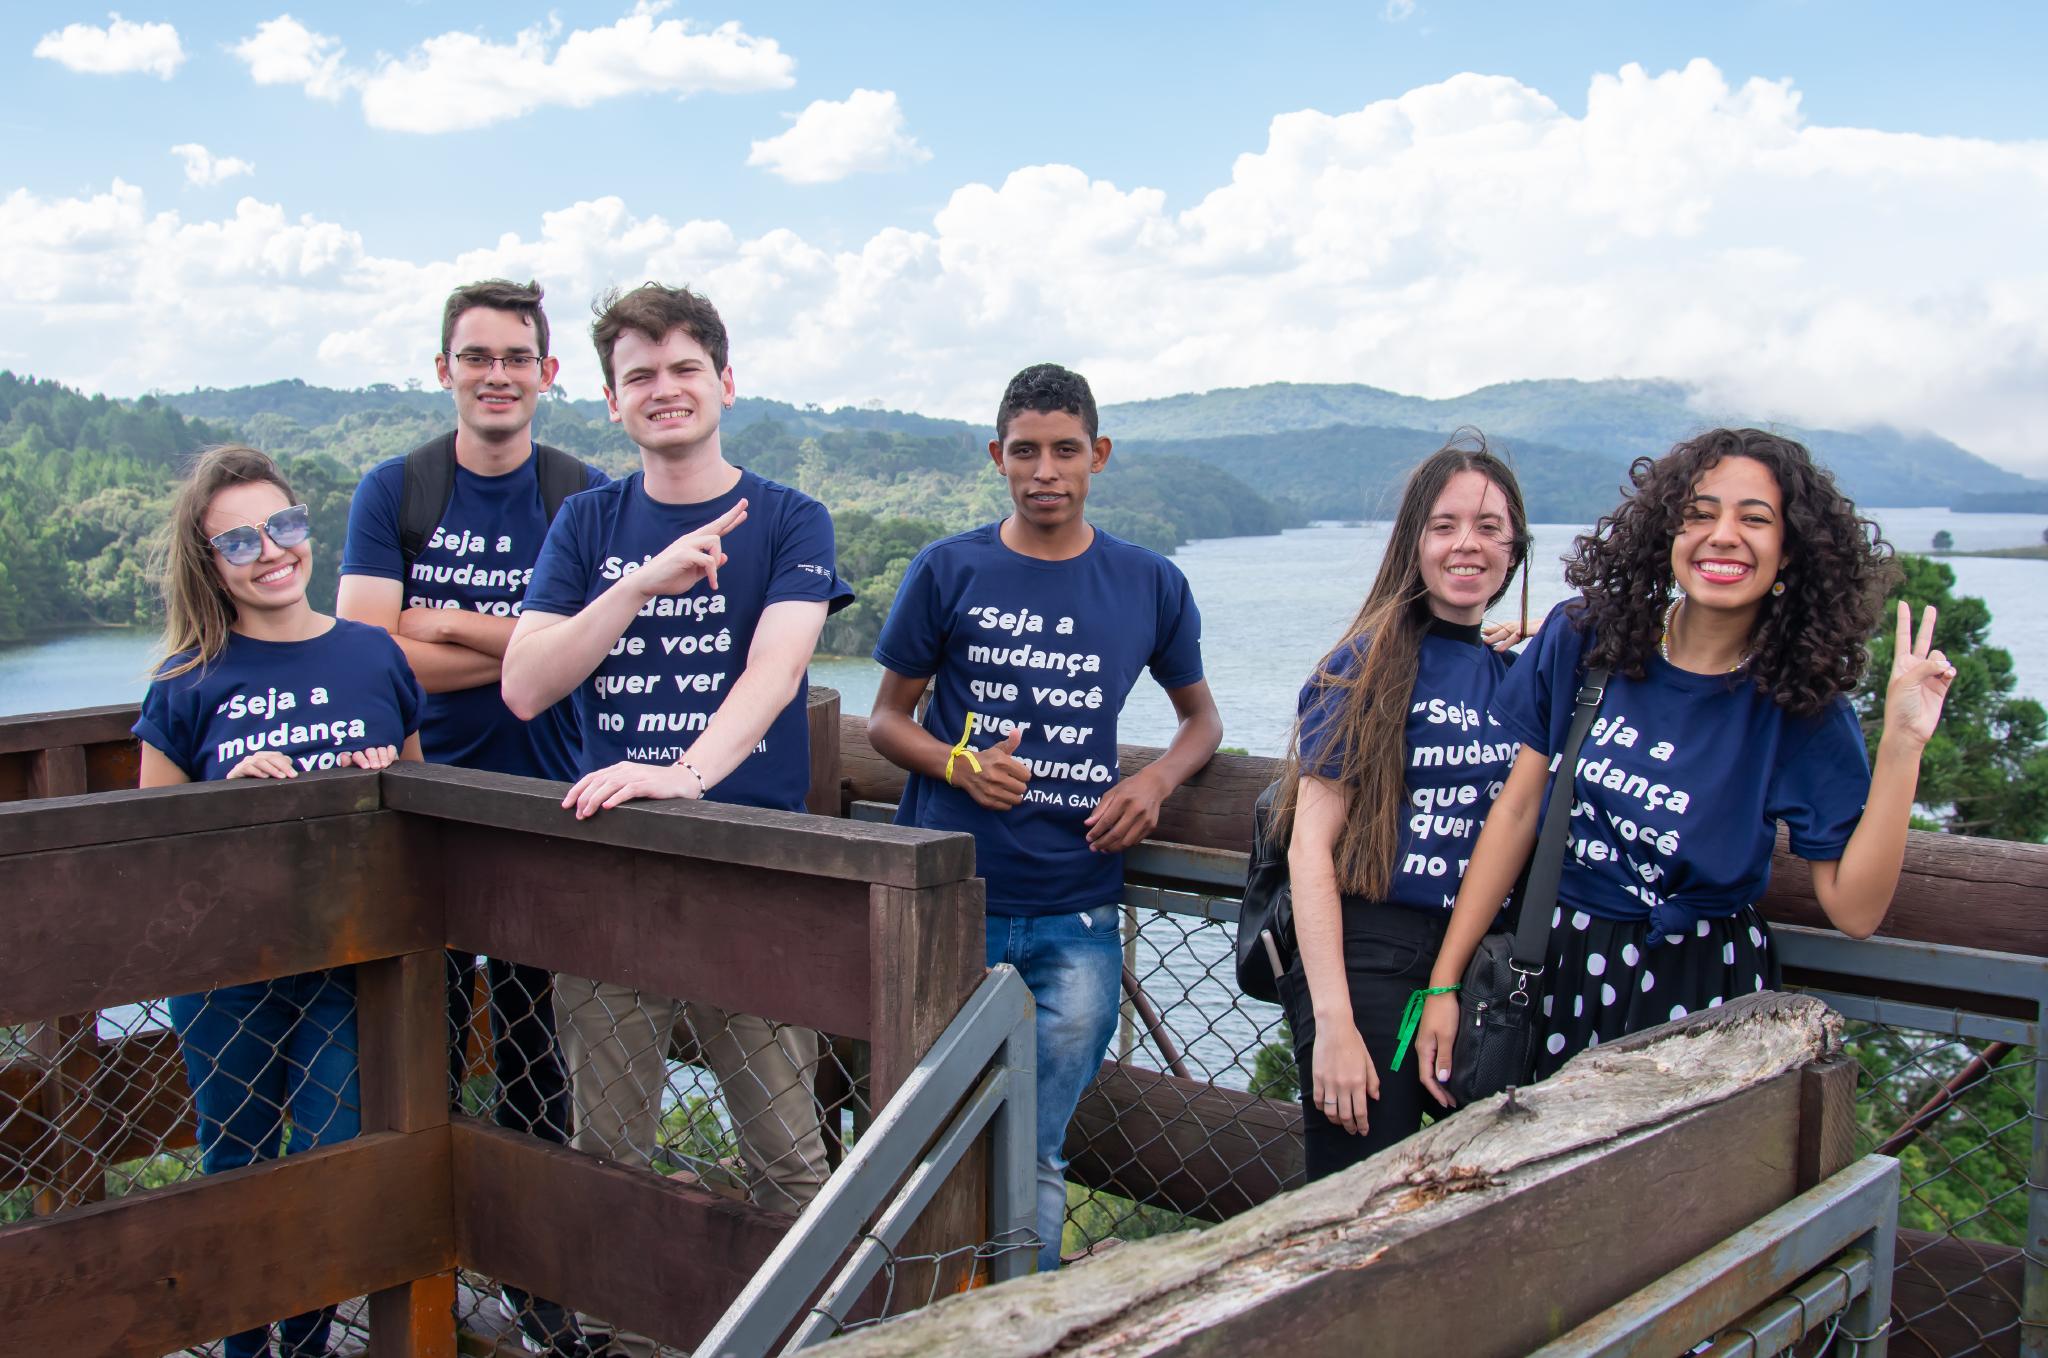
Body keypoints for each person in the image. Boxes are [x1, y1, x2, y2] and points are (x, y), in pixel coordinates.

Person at [1413, 428, 1955, 1099]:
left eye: (1755, 519)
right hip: (1553, 971)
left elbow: (1856, 910)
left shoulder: (1798, 702)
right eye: (1699, 514)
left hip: (1702, 995)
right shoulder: (1589, 638)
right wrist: (1446, 982)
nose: (1722, 536)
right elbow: (1518, 811)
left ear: (1791, 550)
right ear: (1667, 532)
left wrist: (1903, 744)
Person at [502, 283, 849, 1269]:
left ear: (725, 382)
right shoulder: (586, 523)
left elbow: (774, 673)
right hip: (610, 872)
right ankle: (624, 1333)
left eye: (685, 367)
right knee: (610, 1154)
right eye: (640, 374)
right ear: (612, 400)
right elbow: (525, 685)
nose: (665, 388)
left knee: (786, 1152)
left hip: (750, 871)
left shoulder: (791, 519)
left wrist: (685, 773)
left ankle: (807, 1329)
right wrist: (638, 583)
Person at [867, 363, 1223, 1271]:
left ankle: (1023, 1322)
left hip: (1078, 911)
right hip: (953, 901)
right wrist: (958, 764)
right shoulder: (949, 568)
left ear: (1099, 454)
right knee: (926, 1141)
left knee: (1037, 1146)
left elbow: (1202, 722)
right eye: (1025, 452)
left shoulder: (1148, 582)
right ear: (997, 456)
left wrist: (1155, 784)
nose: (1045, 471)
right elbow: (886, 721)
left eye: (1066, 450)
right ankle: (925, 1321)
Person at [335, 277, 609, 1356]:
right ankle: (424, 1282)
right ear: (443, 368)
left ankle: (540, 1290)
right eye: (476, 356)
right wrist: (530, 643)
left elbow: (597, 644)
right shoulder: (396, 489)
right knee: (425, 1060)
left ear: (548, 373)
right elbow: (367, 657)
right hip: (425, 818)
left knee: (543, 1066)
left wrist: (443, 617)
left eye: (516, 357)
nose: (497, 375)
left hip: (549, 814)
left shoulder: (579, 494)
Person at [135, 445, 423, 1358]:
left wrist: (382, 778)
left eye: (283, 525)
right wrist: (226, 799)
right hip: (228, 976)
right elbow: (148, 848)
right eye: (239, 541)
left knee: (333, 1159)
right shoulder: (187, 679)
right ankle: (244, 1348)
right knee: (239, 1167)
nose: (270, 551)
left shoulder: (373, 654)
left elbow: (421, 805)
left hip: (348, 961)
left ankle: (305, 1344)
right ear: (210, 562)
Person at [1271, 434, 1530, 1179]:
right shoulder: (1364, 666)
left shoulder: (1517, 677)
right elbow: (1309, 847)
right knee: (1358, 1192)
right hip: (1370, 960)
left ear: (1514, 550)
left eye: (1489, 528)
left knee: (1470, 1188)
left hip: (1476, 968)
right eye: (1444, 525)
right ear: (1413, 542)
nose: (1466, 544)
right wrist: (1334, 1023)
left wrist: (1546, 636)